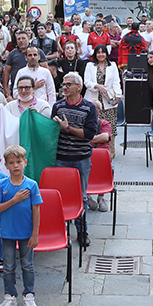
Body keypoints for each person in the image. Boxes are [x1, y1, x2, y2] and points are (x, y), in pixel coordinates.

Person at [0, 144, 43, 306]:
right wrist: (14, 200)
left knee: (27, 266)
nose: (15, 166)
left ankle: (29, 296)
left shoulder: (32, 185)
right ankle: (9, 297)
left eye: (18, 162)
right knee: (8, 266)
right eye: (11, 162)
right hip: (7, 233)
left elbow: (36, 210)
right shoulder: (1, 185)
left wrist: (35, 233)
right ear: (5, 165)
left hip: (26, 233)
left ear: (25, 162)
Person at [52, 72, 99, 236]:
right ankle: (60, 230)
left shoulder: (89, 107)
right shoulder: (58, 107)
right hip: (61, 158)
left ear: (79, 87)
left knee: (81, 197)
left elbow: (89, 134)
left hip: (81, 158)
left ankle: (81, 231)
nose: (64, 87)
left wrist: (68, 129)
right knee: (60, 197)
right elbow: (51, 131)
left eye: (68, 84)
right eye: (63, 85)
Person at [83, 44, 121, 128]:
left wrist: (118, 95)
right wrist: (97, 86)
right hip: (94, 101)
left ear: (106, 54)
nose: (101, 55)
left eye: (103, 52)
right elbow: (86, 82)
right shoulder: (90, 65)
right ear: (95, 54)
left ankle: (111, 142)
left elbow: (116, 81)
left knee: (110, 128)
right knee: (93, 127)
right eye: (98, 52)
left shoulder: (113, 65)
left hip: (108, 100)